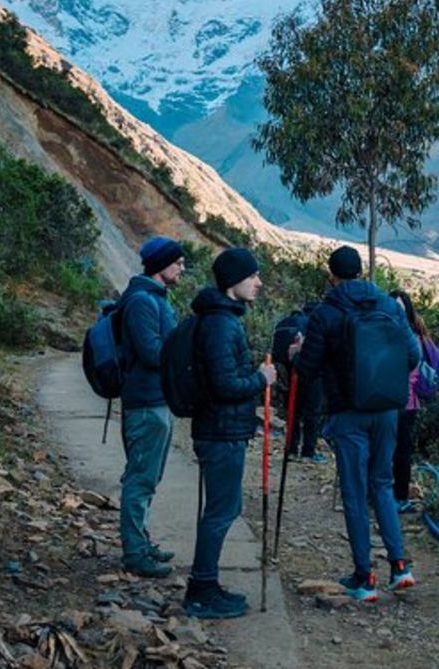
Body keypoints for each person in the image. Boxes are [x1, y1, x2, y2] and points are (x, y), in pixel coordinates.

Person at [291, 246, 421, 601]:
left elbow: (308, 371)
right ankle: (399, 567)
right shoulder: (387, 305)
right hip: (387, 410)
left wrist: (297, 354)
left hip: (348, 412)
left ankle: (364, 577)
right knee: (382, 484)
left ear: (331, 274)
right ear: (361, 271)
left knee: (353, 492)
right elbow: (413, 355)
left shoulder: (326, 312)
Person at [183, 247, 277, 619]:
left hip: (220, 428)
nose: (259, 282)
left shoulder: (221, 319)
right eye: (252, 275)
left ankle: (206, 584)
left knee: (222, 509)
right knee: (222, 511)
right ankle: (201, 590)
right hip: (220, 431)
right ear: (233, 280)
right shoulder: (222, 324)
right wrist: (261, 378)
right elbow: (224, 384)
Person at [118, 236, 185, 578]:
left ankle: (141, 542)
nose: (182, 267)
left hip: (156, 400)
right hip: (146, 402)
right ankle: (135, 552)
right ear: (161, 265)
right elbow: (151, 352)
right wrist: (182, 354)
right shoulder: (143, 302)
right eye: (178, 262)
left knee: (149, 475)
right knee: (141, 477)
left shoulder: (154, 298)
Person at [388, 289, 439, 513]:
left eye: (400, 306)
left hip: (403, 402)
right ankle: (394, 496)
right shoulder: (413, 334)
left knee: (399, 451)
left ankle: (398, 496)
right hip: (400, 402)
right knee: (396, 449)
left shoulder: (406, 337)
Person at [271, 302, 327, 464]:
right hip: (311, 371)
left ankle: (291, 450)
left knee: (294, 411)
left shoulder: (286, 323)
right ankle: (308, 452)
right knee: (312, 411)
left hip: (289, 370)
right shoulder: (315, 322)